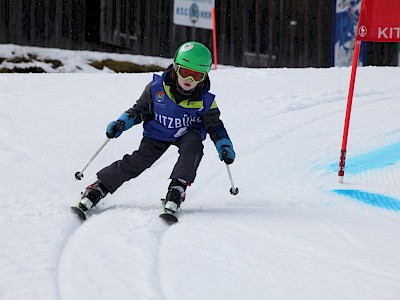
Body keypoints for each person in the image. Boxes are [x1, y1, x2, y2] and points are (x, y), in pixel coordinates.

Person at [74, 41, 235, 218]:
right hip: (157, 132)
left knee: (193, 146)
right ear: (175, 67)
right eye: (185, 73)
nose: (190, 80)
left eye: (197, 76)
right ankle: (100, 186)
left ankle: (177, 187)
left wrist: (224, 145)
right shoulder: (156, 89)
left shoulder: (206, 100)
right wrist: (122, 123)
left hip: (187, 132)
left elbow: (215, 126)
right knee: (139, 161)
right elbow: (139, 111)